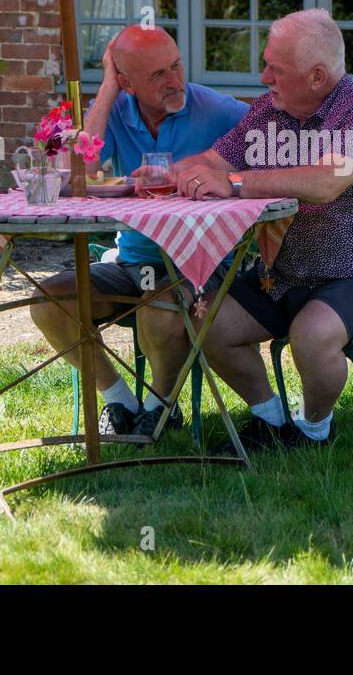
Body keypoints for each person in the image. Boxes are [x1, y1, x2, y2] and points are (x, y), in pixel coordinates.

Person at [173, 8, 353, 451]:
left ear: (316, 76)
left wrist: (233, 184)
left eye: (275, 68)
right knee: (207, 323)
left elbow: (323, 182)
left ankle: (314, 430)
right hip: (291, 274)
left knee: (311, 335)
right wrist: (174, 171)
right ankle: (272, 421)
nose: (263, 78)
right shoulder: (269, 112)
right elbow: (215, 161)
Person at [28, 24, 248, 438]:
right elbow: (75, 172)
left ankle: (158, 408)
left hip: (198, 265)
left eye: (176, 66)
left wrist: (220, 177)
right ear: (127, 81)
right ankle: (119, 400)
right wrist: (109, 89)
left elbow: (267, 158)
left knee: (158, 306)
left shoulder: (217, 110)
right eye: (158, 75)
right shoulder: (115, 110)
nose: (175, 81)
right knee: (49, 300)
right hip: (132, 261)